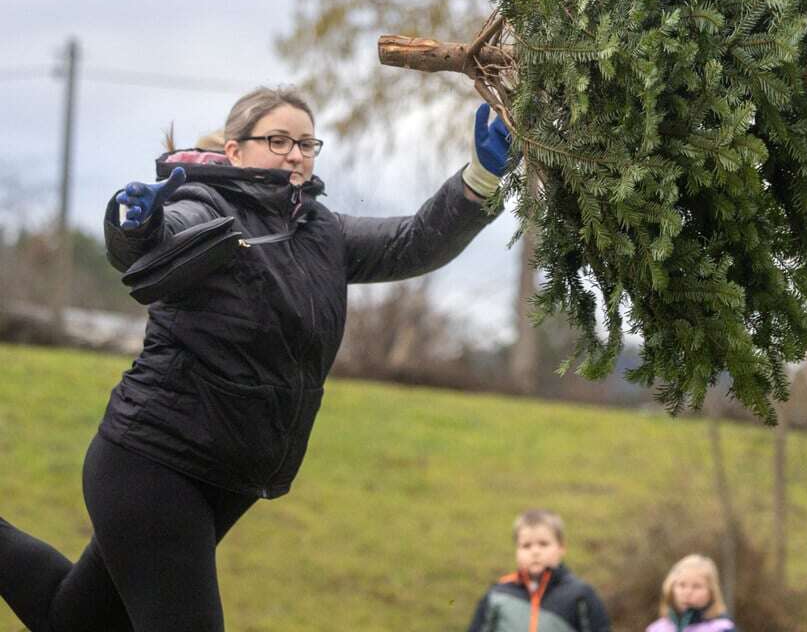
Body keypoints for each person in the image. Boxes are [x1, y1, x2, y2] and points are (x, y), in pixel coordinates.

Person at [0, 87, 513, 631]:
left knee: (70, 619)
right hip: (154, 464)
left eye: (306, 143)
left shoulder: (323, 233)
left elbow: (412, 241)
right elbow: (157, 244)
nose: (295, 153)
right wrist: (136, 227)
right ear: (235, 151)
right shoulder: (206, 208)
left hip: (228, 480)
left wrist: (478, 179)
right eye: (277, 140)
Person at [466, 509, 611, 632]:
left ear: (561, 548)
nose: (535, 552)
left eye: (543, 544)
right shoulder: (497, 595)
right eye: (526, 546)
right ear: (517, 550)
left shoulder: (580, 595)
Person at [645, 554, 736, 632]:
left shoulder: (722, 628)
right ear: (670, 588)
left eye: (696, 586)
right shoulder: (657, 629)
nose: (687, 592)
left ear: (711, 592)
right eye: (682, 585)